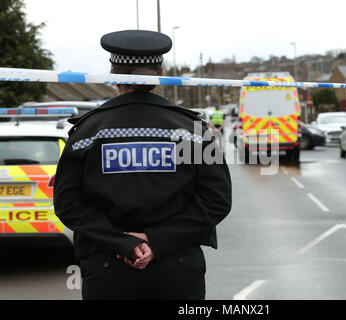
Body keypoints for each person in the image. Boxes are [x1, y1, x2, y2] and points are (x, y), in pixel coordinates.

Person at [53, 30, 232, 300]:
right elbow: (217, 200)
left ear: (114, 76)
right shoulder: (192, 129)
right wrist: (157, 241)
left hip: (107, 268)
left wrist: (123, 243)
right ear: (160, 73)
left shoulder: (87, 131)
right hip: (177, 267)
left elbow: (68, 203)